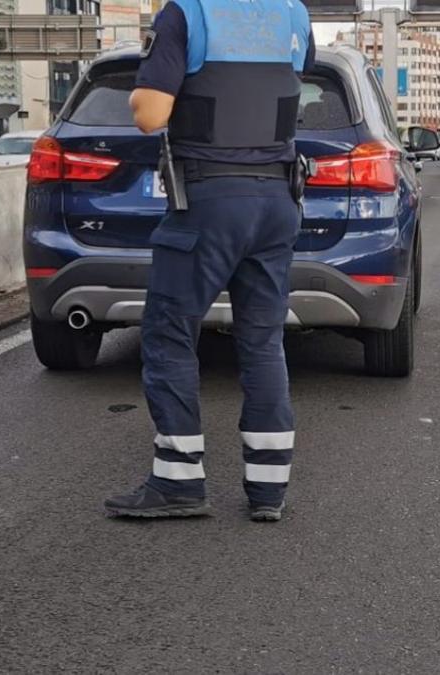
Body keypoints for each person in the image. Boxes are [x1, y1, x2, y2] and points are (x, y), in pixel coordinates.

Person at [104, 0, 314, 522]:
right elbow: (294, 81)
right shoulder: (294, 12)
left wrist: (140, 92)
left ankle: (179, 481)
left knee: (169, 333)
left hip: (210, 201)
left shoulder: (189, 13)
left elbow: (151, 115)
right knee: (263, 342)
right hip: (278, 200)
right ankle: (268, 491)